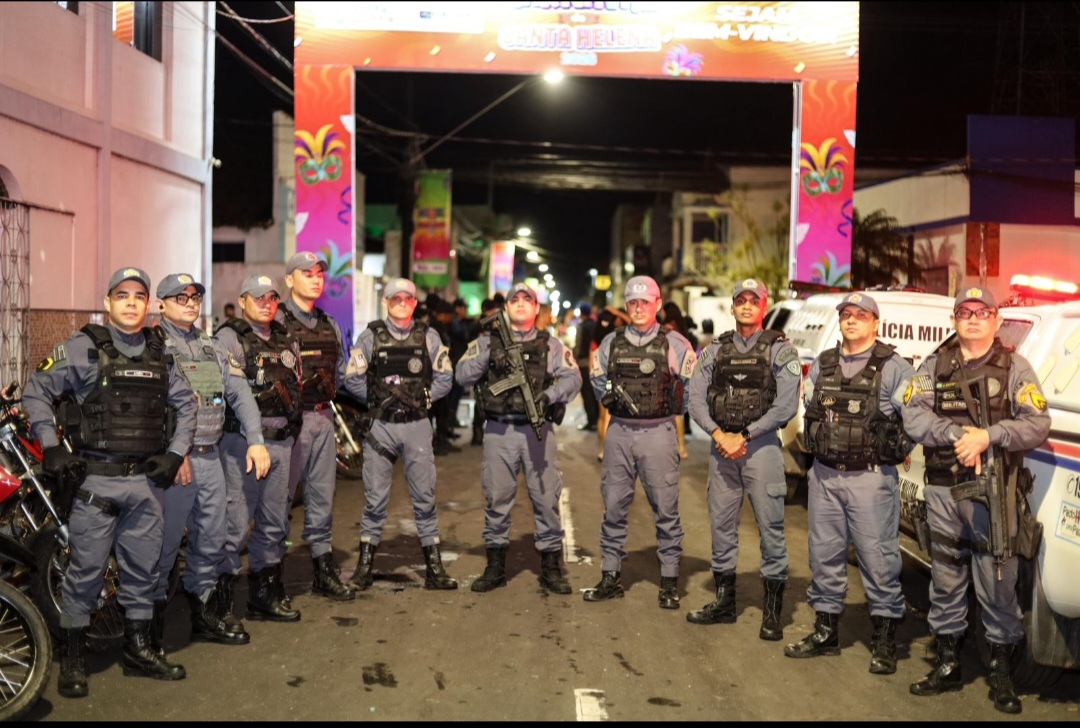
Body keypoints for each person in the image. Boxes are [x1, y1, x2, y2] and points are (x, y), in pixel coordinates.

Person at [24, 267, 197, 697]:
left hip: (144, 484)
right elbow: (36, 389)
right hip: (96, 485)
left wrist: (175, 454)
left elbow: (187, 406)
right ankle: (74, 656)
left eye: (139, 295)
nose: (132, 302)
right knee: (85, 574)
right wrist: (52, 446)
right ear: (107, 303)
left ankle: (138, 648)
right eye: (122, 295)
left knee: (143, 572)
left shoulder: (159, 353)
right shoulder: (84, 348)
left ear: (148, 304)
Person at [903, 287, 1050, 714]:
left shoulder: (1015, 368)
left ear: (996, 319)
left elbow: (1037, 421)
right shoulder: (934, 365)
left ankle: (1002, 674)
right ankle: (947, 664)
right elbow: (913, 413)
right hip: (944, 488)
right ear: (954, 320)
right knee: (945, 579)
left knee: (998, 582)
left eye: (981, 312)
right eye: (964, 312)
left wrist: (991, 436)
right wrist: (957, 436)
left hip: (993, 492)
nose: (972, 319)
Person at [783, 292, 914, 676]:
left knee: (878, 560)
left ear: (876, 323)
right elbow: (807, 411)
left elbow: (916, 419)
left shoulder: (895, 368)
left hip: (870, 480)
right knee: (823, 556)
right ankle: (826, 633)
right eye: (846, 314)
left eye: (861, 315)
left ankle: (886, 641)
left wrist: (896, 449)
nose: (852, 320)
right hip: (824, 476)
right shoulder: (823, 364)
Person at [152, 273, 271, 650]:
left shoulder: (212, 347)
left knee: (211, 540)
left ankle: (204, 613)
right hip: (176, 464)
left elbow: (241, 395)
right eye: (180, 297)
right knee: (163, 546)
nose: (189, 302)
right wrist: (175, 452)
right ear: (161, 304)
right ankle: (146, 629)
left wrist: (255, 440)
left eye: (194, 297)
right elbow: (148, 409)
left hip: (210, 456)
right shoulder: (151, 346)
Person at [686, 279, 800, 640]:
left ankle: (771, 613)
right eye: (741, 301)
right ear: (733, 307)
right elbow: (695, 399)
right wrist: (720, 435)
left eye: (755, 300)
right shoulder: (715, 350)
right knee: (721, 526)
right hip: (722, 450)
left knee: (771, 530)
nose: (747, 306)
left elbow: (785, 404)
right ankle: (724, 602)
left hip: (762, 448)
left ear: (764, 307)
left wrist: (744, 435)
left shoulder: (779, 350)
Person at [455, 282, 582, 595]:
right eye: (516, 300)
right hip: (499, 431)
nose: (522, 304)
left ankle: (551, 565)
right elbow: (461, 375)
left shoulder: (549, 344)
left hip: (536, 432)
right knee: (497, 498)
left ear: (536, 308)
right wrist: (489, 356)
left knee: (546, 498)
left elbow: (573, 378)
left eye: (528, 300)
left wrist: (548, 396)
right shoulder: (487, 341)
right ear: (507, 307)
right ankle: (495, 564)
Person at [584, 276, 696, 609]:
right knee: (614, 506)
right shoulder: (611, 342)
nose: (638, 308)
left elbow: (690, 386)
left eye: (645, 302)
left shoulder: (675, 343)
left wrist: (673, 413)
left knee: (666, 510)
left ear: (658, 304)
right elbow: (596, 377)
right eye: (632, 302)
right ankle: (610, 576)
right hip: (619, 432)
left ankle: (670, 581)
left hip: (658, 434)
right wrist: (611, 402)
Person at [343, 278, 457, 591]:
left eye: (408, 298)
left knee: (424, 498)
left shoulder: (428, 336)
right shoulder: (371, 336)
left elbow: (446, 375)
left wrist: (426, 398)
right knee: (375, 499)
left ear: (415, 302)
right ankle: (365, 567)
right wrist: (373, 400)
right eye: (396, 298)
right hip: (382, 426)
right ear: (386, 302)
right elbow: (351, 376)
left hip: (417, 425)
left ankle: (434, 568)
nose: (402, 302)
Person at [215, 274, 304, 624]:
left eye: (272, 298)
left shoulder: (285, 338)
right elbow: (228, 393)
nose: (267, 304)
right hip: (243, 447)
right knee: (235, 526)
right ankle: (219, 603)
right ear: (243, 300)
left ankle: (263, 596)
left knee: (273, 524)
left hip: (281, 444)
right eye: (259, 298)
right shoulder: (229, 338)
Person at [277, 251, 355, 602]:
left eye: (319, 273)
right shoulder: (274, 322)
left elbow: (342, 374)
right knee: (277, 502)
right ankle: (269, 577)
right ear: (290, 279)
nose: (314, 277)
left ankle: (324, 571)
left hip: (323, 418)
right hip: (288, 423)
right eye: (306, 273)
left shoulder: (329, 323)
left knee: (322, 499)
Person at [592, 305, 631, 463]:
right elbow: (633, 323)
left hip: (603, 377)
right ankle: (610, 450)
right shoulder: (623, 337)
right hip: (617, 378)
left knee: (603, 415)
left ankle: (602, 449)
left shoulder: (601, 336)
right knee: (613, 415)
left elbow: (593, 356)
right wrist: (618, 312)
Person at [661, 301, 695, 460]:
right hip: (681, 377)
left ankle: (677, 445)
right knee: (678, 413)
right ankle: (681, 447)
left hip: (668, 376)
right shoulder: (683, 334)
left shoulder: (666, 332)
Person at [575, 303, 599, 432]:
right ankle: (596, 419)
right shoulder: (595, 324)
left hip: (583, 362)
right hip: (595, 362)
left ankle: (592, 421)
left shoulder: (582, 326)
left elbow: (578, 345)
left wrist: (574, 359)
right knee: (594, 391)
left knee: (586, 393)